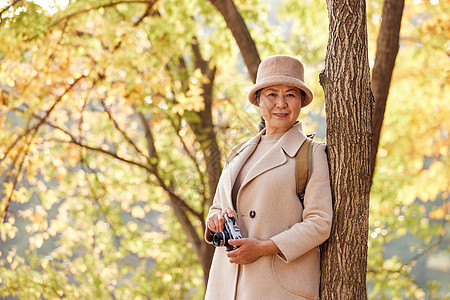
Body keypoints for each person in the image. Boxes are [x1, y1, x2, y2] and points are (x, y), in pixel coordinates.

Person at [204, 55, 333, 300]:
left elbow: (319, 223)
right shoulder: (239, 153)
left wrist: (264, 248)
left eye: (291, 95)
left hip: (277, 288)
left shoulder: (312, 153)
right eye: (272, 94)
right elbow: (217, 207)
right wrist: (214, 221)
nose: (281, 104)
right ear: (259, 100)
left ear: (301, 102)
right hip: (226, 286)